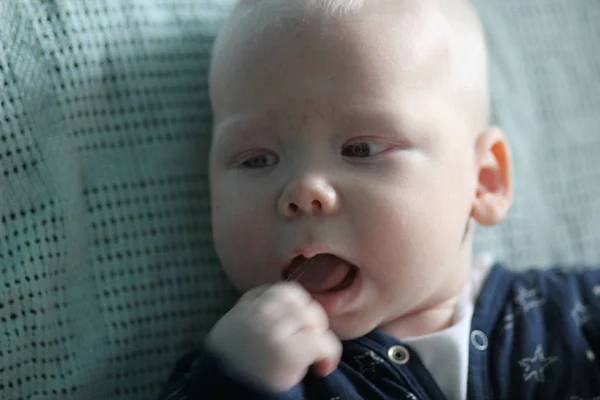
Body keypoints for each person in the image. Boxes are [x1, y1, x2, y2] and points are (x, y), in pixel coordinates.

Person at [158, 0, 600, 398]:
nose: (303, 191)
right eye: (257, 159)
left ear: (484, 181)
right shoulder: (253, 371)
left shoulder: (574, 314)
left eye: (361, 150)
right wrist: (231, 383)